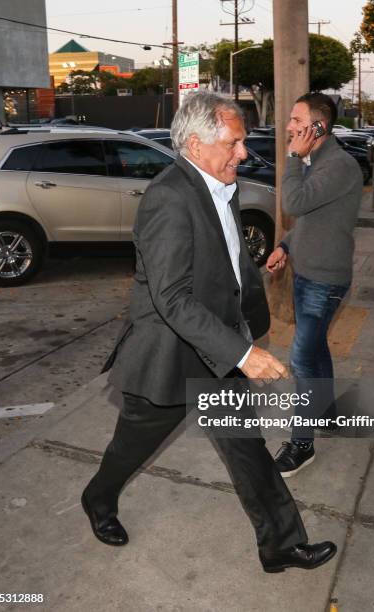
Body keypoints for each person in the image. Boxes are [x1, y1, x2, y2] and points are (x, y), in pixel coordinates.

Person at [81, 92, 336, 573]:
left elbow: (227, 262)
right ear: (196, 145)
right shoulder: (167, 199)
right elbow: (172, 298)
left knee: (246, 448)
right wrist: (242, 354)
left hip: (218, 347)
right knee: (131, 446)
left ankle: (281, 544)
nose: (244, 153)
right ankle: (98, 498)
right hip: (170, 353)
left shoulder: (224, 185)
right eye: (235, 143)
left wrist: (246, 320)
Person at [267, 93, 363, 477]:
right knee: (317, 347)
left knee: (302, 359)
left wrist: (292, 158)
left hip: (325, 281)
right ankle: (327, 413)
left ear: (318, 127)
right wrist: (286, 246)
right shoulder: (321, 162)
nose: (289, 126)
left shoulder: (337, 165)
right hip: (308, 273)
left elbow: (293, 203)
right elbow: (312, 216)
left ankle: (302, 444)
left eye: (296, 119)